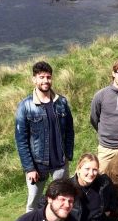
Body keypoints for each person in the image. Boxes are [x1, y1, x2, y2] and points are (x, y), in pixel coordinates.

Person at [15, 61, 74, 212]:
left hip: (60, 163)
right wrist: (29, 168)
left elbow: (69, 131)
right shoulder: (25, 106)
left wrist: (67, 155)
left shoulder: (61, 102)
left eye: (48, 77)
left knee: (62, 200)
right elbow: (21, 141)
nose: (45, 81)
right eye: (41, 77)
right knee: (33, 204)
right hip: (38, 166)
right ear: (34, 79)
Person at [70, 153, 116, 221]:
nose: (91, 173)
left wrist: (108, 212)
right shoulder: (68, 188)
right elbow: (46, 203)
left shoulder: (103, 182)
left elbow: (113, 198)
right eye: (87, 169)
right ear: (79, 169)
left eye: (95, 169)